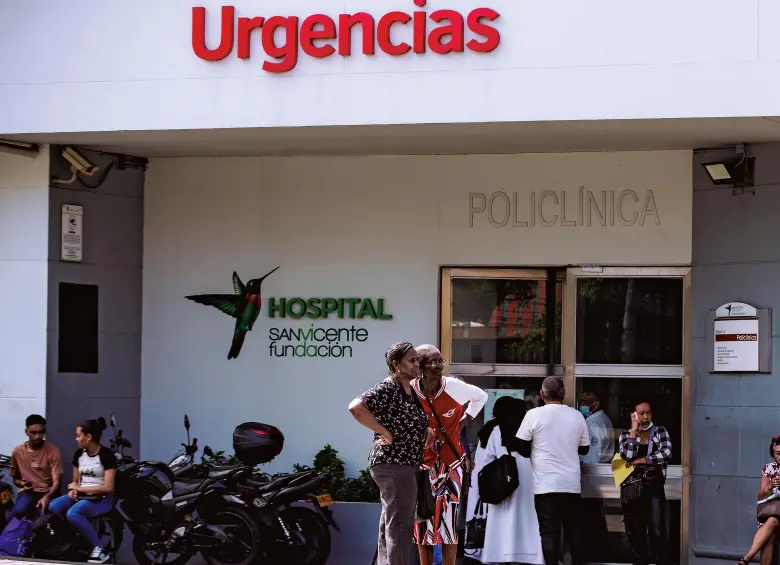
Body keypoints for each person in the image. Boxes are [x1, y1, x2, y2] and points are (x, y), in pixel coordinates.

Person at [349, 341, 433, 565]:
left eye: (417, 360)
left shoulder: (409, 390)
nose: (417, 364)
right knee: (400, 526)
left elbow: (408, 419)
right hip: (393, 464)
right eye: (412, 360)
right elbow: (356, 407)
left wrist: (426, 429)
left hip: (403, 465)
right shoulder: (388, 387)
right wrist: (383, 431)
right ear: (396, 364)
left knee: (392, 523)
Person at [412, 345, 488, 565]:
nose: (437, 366)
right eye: (431, 362)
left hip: (451, 465)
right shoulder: (410, 390)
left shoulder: (454, 386)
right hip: (422, 467)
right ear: (420, 365)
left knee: (449, 525)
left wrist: (464, 420)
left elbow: (480, 397)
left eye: (440, 361)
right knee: (423, 525)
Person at [511, 376, 590, 565]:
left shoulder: (533, 415)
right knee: (574, 531)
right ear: (564, 394)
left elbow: (520, 446)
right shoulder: (577, 415)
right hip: (571, 484)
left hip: (545, 485)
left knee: (549, 533)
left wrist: (536, 449)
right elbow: (585, 448)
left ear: (541, 394)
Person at [480, 395, 544, 564]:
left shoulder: (496, 431)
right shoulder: (530, 429)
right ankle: (528, 555)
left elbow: (487, 461)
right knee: (527, 517)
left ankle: (502, 554)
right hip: (529, 478)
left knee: (503, 519)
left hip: (504, 479)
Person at [49, 417, 117, 564]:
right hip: (83, 495)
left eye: (79, 435)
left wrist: (80, 488)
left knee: (73, 513)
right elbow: (76, 481)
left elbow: (108, 487)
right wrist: (74, 491)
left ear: (89, 437)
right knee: (54, 506)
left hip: (102, 499)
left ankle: (100, 549)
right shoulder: (79, 454)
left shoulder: (106, 455)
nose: (76, 439)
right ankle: (73, 538)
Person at [618, 401, 672, 565]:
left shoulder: (660, 431)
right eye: (641, 413)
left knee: (657, 529)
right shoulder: (626, 436)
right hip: (633, 490)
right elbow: (627, 456)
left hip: (654, 486)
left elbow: (666, 453)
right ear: (634, 415)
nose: (645, 417)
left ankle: (659, 559)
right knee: (636, 530)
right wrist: (634, 431)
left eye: (648, 413)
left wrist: (642, 460)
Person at [7, 414, 63, 519]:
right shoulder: (17, 452)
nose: (37, 436)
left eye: (41, 432)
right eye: (33, 433)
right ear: (26, 432)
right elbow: (15, 479)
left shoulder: (53, 451)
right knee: (15, 513)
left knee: (40, 519)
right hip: (28, 492)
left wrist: (47, 496)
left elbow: (57, 482)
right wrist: (23, 483)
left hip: (47, 491)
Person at [736, 436, 780, 565]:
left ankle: (746, 559)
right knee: (770, 531)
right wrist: (771, 486)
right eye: (778, 453)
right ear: (773, 454)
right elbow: (760, 496)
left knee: (772, 522)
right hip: (774, 515)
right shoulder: (769, 469)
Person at [579, 391, 615, 464]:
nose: (581, 405)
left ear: (596, 405)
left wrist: (588, 471)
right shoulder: (603, 419)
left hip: (594, 469)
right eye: (581, 401)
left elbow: (592, 455)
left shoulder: (594, 424)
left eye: (585, 402)